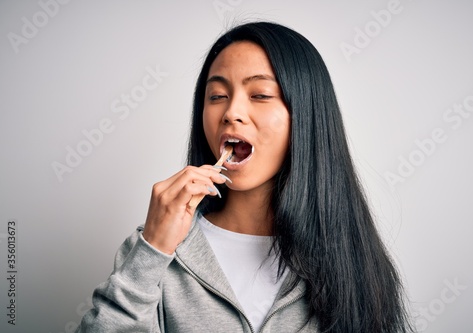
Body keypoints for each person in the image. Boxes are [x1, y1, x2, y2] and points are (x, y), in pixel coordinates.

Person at [76, 21, 413, 333]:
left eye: (260, 95)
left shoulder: (350, 255)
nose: (231, 113)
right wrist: (154, 249)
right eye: (217, 97)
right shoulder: (155, 247)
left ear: (306, 115)